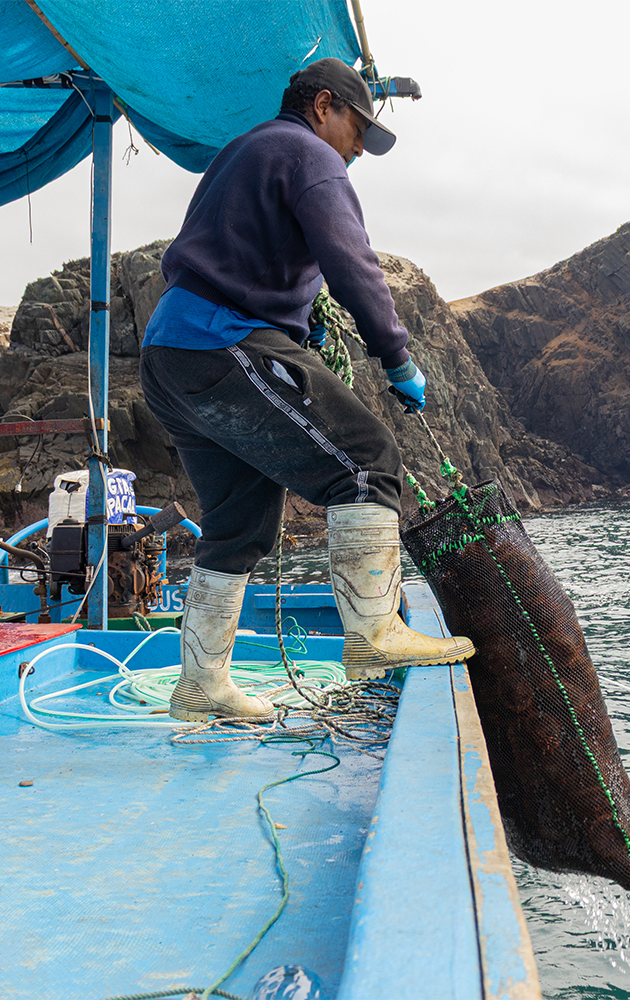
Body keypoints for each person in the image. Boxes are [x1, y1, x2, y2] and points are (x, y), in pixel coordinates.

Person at [139, 58, 475, 721]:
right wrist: (396, 358)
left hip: (172, 355)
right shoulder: (306, 153)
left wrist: (298, 328)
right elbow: (352, 264)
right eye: (357, 131)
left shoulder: (246, 152)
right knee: (367, 461)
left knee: (238, 524)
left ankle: (201, 685)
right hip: (223, 339)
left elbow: (244, 253)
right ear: (324, 105)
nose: (356, 152)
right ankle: (375, 633)